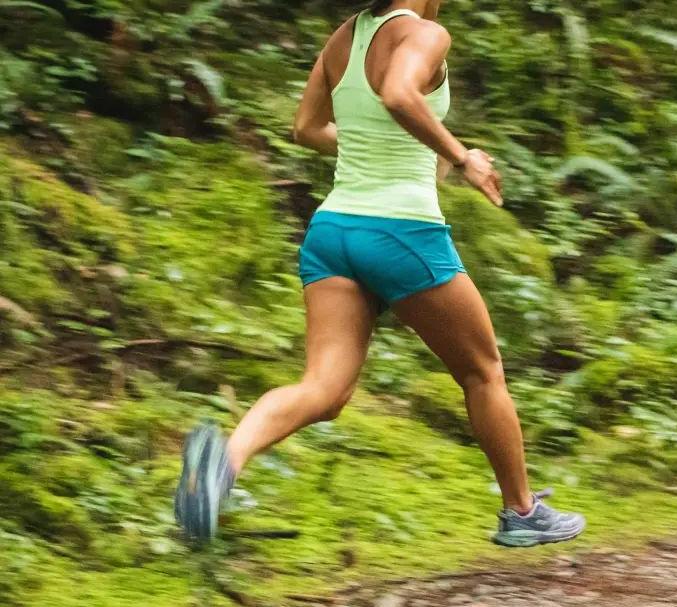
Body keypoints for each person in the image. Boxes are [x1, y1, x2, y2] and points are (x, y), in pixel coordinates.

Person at [173, 0, 585, 548]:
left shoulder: (343, 38)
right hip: (399, 233)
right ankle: (521, 511)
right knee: (483, 372)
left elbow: (306, 128)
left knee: (323, 389)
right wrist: (462, 158)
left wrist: (390, 148)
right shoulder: (426, 34)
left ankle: (222, 464)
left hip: (333, 231)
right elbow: (397, 93)